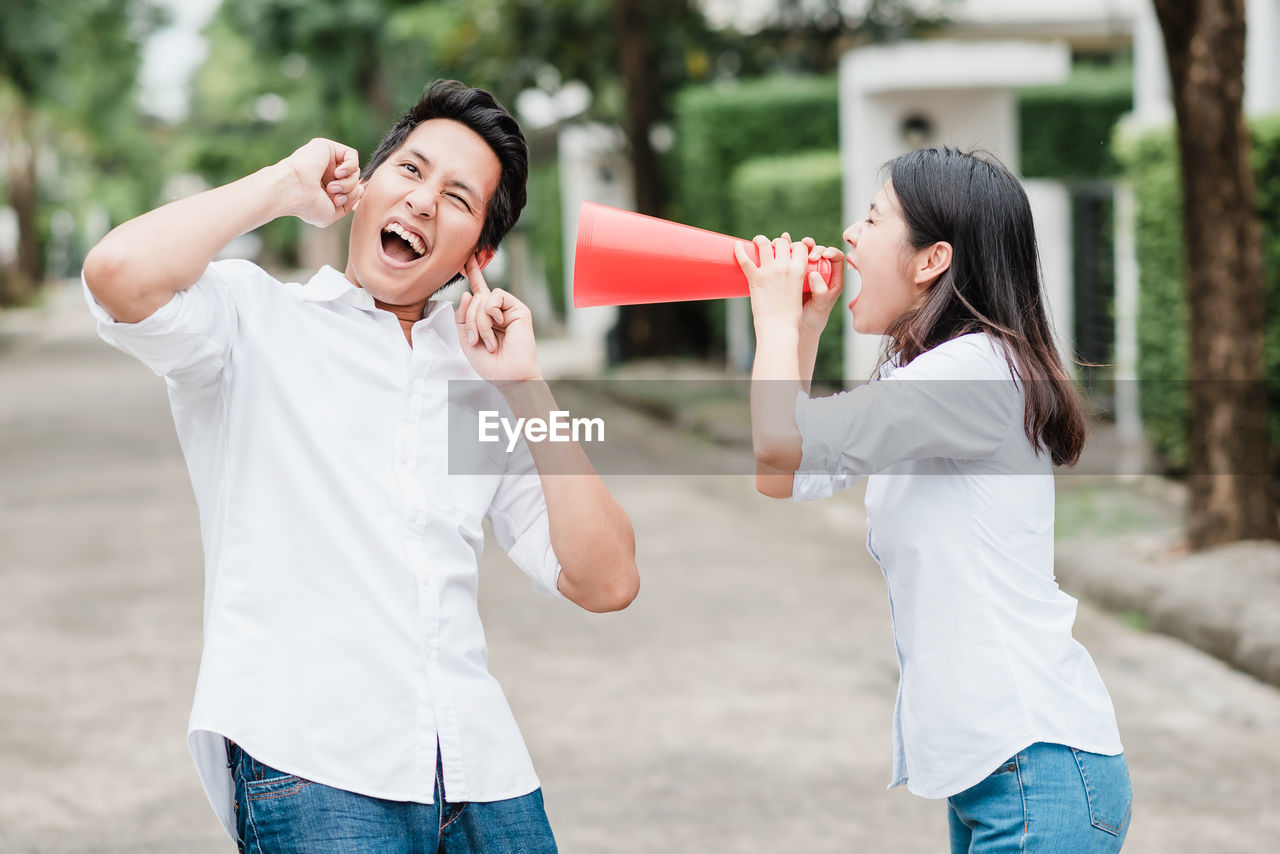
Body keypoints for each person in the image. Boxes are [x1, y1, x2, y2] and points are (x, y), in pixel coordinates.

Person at [82, 79, 638, 854]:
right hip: (317, 769)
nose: (420, 201)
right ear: (366, 185)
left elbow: (607, 580)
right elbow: (116, 273)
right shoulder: (253, 321)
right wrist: (281, 186)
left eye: (456, 196)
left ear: (478, 253)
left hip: (487, 778)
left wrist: (525, 385)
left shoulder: (486, 376)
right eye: (410, 170)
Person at [736, 146, 1131, 853]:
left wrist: (768, 316)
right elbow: (782, 474)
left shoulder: (969, 373)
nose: (849, 236)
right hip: (1004, 772)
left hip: (1033, 768)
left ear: (931, 260)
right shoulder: (939, 379)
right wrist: (800, 327)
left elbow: (776, 446)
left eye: (872, 218)